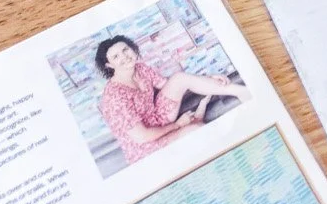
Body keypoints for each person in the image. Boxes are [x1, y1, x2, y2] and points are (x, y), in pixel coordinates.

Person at [92, 34, 247, 163]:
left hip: (157, 118)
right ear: (109, 65)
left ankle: (240, 91)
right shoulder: (114, 97)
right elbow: (141, 137)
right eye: (116, 56)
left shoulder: (140, 68)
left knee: (179, 78)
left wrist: (208, 78)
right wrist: (177, 125)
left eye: (125, 49)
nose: (124, 57)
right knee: (196, 130)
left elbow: (168, 84)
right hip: (144, 146)